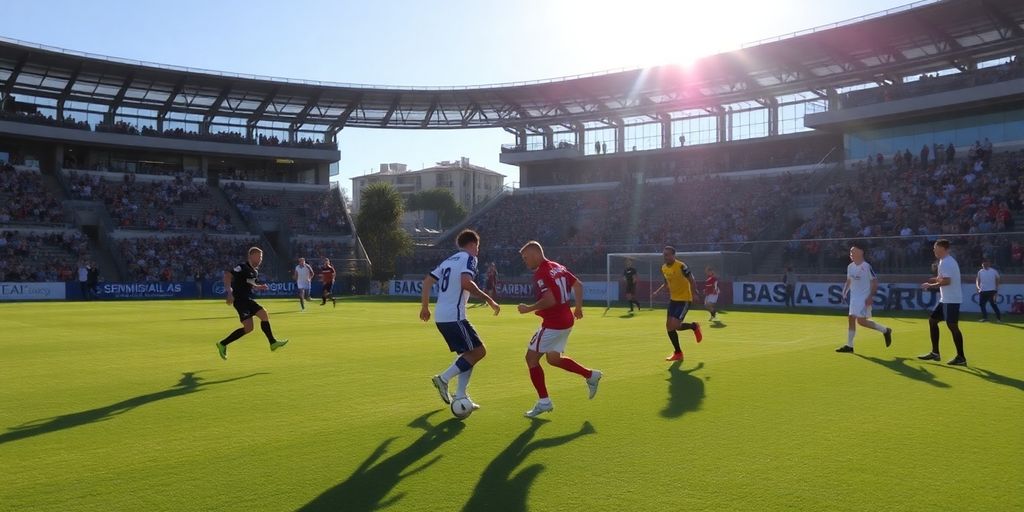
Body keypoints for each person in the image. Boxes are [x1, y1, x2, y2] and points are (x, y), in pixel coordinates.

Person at [517, 241, 602, 418]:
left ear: (535, 255)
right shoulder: (558, 267)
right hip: (566, 321)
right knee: (554, 359)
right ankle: (591, 375)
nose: (525, 262)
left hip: (553, 323)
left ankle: (544, 402)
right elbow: (578, 284)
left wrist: (529, 308)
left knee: (531, 358)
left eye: (526, 258)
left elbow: (550, 300)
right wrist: (578, 307)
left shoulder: (541, 272)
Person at [420, 230, 499, 409]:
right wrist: (489, 299)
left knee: (469, 354)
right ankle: (443, 378)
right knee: (479, 352)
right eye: (477, 247)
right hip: (454, 316)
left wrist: (425, 307)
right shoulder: (469, 258)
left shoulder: (449, 260)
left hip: (442, 317)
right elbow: (466, 282)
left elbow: (426, 282)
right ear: (472, 245)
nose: (478, 251)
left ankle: (461, 394)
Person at [214, 246, 288, 360]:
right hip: (239, 300)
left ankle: (272, 343)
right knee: (248, 327)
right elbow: (228, 275)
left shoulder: (254, 271)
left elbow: (250, 283)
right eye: (259, 256)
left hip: (247, 299)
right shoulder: (242, 267)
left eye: (261, 257)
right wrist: (229, 292)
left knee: (263, 315)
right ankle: (223, 344)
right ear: (251, 256)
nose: (260, 259)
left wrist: (259, 287)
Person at [835, 244, 892, 353]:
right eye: (850, 252)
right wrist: (844, 292)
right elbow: (849, 280)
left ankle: (885, 330)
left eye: (853, 252)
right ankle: (850, 345)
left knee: (860, 321)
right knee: (854, 320)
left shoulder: (866, 266)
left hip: (864, 298)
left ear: (860, 252)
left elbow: (875, 282)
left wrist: (870, 296)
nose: (851, 254)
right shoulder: (850, 267)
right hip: (854, 298)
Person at [918, 239, 967, 365]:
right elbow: (945, 279)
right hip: (946, 299)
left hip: (951, 300)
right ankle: (935, 353)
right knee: (933, 320)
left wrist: (930, 284)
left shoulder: (946, 262)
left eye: (935, 248)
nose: (933, 250)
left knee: (953, 326)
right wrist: (936, 279)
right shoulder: (944, 261)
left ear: (942, 249)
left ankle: (961, 357)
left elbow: (947, 281)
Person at [653, 246, 702, 361]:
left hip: (684, 299)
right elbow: (666, 282)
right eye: (664, 255)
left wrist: (694, 294)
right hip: (673, 299)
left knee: (674, 325)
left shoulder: (681, 266)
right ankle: (678, 353)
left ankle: (694, 326)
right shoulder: (664, 268)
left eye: (668, 254)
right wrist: (658, 291)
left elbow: (692, 280)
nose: (665, 257)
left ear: (673, 255)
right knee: (670, 327)